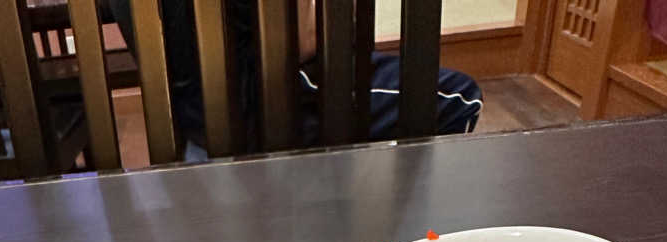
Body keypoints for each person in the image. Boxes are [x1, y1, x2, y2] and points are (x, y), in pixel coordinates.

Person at [105, 0, 482, 159]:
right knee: (460, 96)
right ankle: (412, 233)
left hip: (189, 120)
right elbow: (306, 42)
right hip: (269, 103)